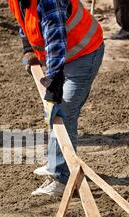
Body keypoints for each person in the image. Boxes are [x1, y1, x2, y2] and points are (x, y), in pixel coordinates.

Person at [9, 0, 105, 196]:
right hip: (67, 54)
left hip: (83, 54)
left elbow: (55, 41)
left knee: (64, 110)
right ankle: (56, 162)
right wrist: (28, 48)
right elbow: (23, 19)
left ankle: (62, 178)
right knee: (55, 109)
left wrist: (53, 83)